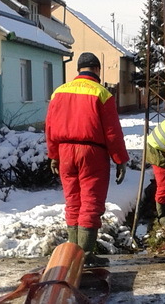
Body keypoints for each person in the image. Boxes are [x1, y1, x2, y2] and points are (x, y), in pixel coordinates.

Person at [46, 52, 129, 268]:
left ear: (78, 69)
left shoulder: (59, 92)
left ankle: (72, 254)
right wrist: (120, 159)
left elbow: (50, 127)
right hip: (92, 153)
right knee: (91, 202)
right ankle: (85, 255)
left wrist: (54, 155)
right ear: (97, 69)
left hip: (65, 151)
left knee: (73, 200)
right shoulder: (101, 93)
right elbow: (112, 132)